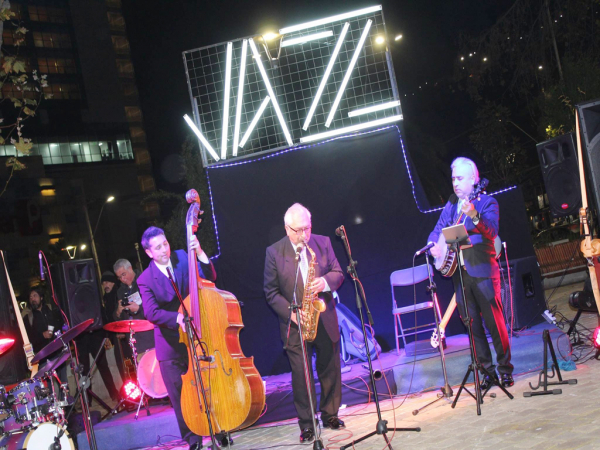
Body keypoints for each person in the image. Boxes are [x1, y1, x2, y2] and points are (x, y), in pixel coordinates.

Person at [427, 157, 514, 389]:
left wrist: (474, 214)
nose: (455, 182)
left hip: (483, 272)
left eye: (460, 178)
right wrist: (434, 244)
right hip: (460, 275)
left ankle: (505, 370)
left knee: (495, 324)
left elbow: (492, 230)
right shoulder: (451, 205)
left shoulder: (487, 202)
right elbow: (438, 229)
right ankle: (487, 373)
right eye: (453, 178)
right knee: (472, 326)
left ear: (473, 179)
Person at [263, 203, 345, 443]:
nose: (304, 235)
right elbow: (270, 292)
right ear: (287, 229)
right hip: (295, 323)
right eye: (298, 230)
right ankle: (307, 424)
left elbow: (339, 272)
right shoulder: (274, 252)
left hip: (323, 317)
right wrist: (293, 315)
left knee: (330, 368)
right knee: (302, 375)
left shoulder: (323, 242)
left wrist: (325, 282)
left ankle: (331, 414)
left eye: (307, 228)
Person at [137, 226, 216, 450]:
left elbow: (210, 277)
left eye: (165, 244)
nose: (164, 250)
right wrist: (177, 317)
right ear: (149, 253)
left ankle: (218, 430)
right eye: (158, 248)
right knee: (181, 398)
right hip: (171, 346)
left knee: (209, 386)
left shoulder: (182, 256)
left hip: (197, 337)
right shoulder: (145, 279)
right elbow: (151, 312)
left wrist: (200, 253)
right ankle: (193, 441)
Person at [25, 288, 67, 384]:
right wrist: (42, 335)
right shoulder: (29, 318)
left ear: (41, 297)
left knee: (64, 384)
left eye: (35, 296)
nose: (32, 299)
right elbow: (29, 340)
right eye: (30, 297)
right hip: (42, 357)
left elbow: (60, 326)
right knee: (48, 388)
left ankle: (64, 399)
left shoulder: (51, 310)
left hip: (58, 353)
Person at [113, 259, 154, 355]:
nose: (122, 279)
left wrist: (139, 308)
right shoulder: (120, 291)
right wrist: (118, 312)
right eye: (119, 277)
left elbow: (156, 308)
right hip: (135, 342)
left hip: (151, 337)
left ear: (130, 268)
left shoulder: (145, 281)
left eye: (124, 274)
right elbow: (119, 320)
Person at [100, 271, 129, 383]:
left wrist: (123, 331)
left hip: (125, 334)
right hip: (116, 336)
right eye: (103, 283)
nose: (105, 285)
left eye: (107, 282)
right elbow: (107, 319)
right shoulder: (105, 299)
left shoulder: (119, 294)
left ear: (113, 282)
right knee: (120, 363)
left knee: (129, 362)